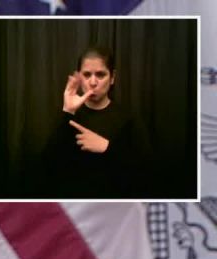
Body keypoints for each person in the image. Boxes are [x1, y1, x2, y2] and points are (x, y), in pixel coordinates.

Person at [41, 46, 152, 198]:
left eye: (100, 75)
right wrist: (68, 111)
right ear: (79, 78)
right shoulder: (68, 115)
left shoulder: (128, 118)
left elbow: (145, 173)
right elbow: (47, 168)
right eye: (87, 75)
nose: (93, 82)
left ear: (112, 77)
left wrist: (107, 147)